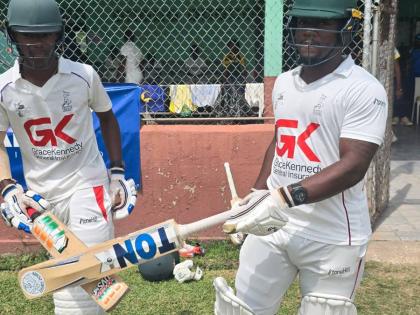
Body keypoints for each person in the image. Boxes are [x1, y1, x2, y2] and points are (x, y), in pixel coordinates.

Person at [213, 1, 388, 314]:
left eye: (323, 25)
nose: (309, 32)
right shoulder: (284, 82)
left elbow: (353, 167)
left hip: (333, 235)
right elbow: (281, 141)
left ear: (346, 31)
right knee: (241, 309)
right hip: (274, 225)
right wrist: (256, 196)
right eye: (303, 22)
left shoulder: (363, 89)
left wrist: (281, 198)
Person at [0, 0, 137, 314]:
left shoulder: (83, 76)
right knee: (66, 276)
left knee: (84, 272)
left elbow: (108, 119)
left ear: (59, 35)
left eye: (46, 35)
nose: (37, 44)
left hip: (88, 183)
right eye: (27, 36)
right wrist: (7, 186)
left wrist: (116, 172)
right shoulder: (4, 87)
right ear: (13, 36)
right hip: (42, 197)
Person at [220, 39, 249, 117]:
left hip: (239, 78)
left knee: (240, 95)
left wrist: (244, 79)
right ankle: (231, 112)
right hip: (230, 79)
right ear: (229, 47)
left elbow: (244, 69)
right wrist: (224, 80)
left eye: (235, 45)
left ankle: (241, 112)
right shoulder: (227, 57)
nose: (233, 47)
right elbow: (225, 71)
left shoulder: (240, 56)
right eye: (231, 46)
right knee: (230, 95)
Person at [392, 49, 413, 126]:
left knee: (398, 93)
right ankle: (396, 116)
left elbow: (397, 68)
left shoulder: (392, 49)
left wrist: (399, 87)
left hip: (391, 78)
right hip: (378, 78)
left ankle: (401, 116)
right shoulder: (371, 46)